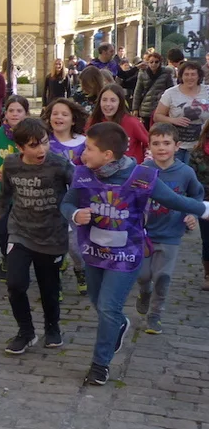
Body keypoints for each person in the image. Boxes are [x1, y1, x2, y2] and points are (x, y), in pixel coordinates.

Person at [61, 122, 209, 386]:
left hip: (126, 255)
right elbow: (67, 202)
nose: (83, 153)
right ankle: (119, 324)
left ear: (108, 155)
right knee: (98, 303)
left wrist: (203, 209)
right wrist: (74, 213)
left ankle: (100, 365)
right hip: (93, 251)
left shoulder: (142, 177)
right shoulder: (83, 173)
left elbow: (174, 200)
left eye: (90, 148)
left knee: (108, 307)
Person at [0, 118, 73, 354]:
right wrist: (0, 210)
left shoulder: (59, 164)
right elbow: (6, 192)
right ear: (20, 147)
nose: (41, 150)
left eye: (45, 142)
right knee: (15, 283)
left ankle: (52, 327)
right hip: (20, 232)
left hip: (52, 235)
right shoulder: (11, 163)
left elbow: (81, 187)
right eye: (33, 145)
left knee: (49, 288)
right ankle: (26, 332)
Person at [134, 124, 203, 335]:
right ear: (149, 146)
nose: (161, 148)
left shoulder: (186, 172)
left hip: (171, 233)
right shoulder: (143, 170)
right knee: (143, 275)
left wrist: (192, 214)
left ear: (177, 146)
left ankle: (155, 315)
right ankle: (144, 292)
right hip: (144, 233)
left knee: (163, 276)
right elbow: (132, 196)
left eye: (166, 143)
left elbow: (197, 195)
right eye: (156, 143)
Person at [43, 97, 89, 295]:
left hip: (75, 201)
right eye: (55, 113)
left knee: (75, 247)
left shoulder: (83, 142)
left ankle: (80, 269)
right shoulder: (44, 141)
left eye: (64, 114)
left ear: (73, 119)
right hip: (49, 200)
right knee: (51, 246)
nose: (59, 117)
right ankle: (54, 283)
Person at [0, 95, 29, 281]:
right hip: (2, 194)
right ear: (5, 113)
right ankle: (5, 256)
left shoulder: (31, 136)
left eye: (19, 111)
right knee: (2, 230)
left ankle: (19, 264)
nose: (15, 114)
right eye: (11, 110)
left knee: (23, 233)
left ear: (26, 114)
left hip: (26, 195)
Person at [152, 61, 209, 164]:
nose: (189, 77)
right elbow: (157, 116)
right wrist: (173, 120)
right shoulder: (170, 93)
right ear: (181, 76)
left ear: (199, 76)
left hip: (200, 145)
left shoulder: (207, 91)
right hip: (177, 145)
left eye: (193, 74)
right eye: (186, 74)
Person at [87, 83, 149, 165]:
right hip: (100, 170)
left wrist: (146, 163)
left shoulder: (132, 122)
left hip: (129, 170)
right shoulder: (93, 122)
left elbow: (150, 143)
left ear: (120, 103)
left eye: (113, 100)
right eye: (104, 100)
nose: (108, 104)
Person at [187, 119, 209, 291]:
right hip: (206, 202)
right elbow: (193, 183)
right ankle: (208, 274)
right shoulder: (197, 153)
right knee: (207, 240)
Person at [132, 52, 173, 129]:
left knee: (159, 131)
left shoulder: (166, 73)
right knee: (146, 131)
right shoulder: (142, 73)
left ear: (160, 62)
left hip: (161, 108)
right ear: (148, 62)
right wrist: (135, 109)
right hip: (146, 108)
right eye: (151, 62)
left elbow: (171, 90)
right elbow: (138, 92)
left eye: (156, 62)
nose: (154, 64)